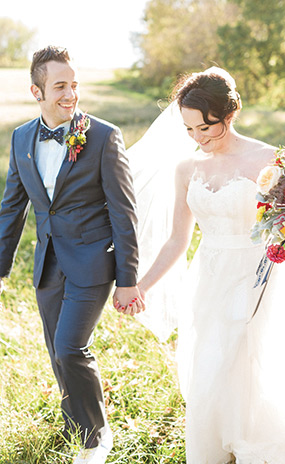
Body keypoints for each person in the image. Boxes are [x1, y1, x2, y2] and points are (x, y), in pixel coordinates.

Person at [132, 67, 285, 463]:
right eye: (190, 130)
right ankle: (218, 446)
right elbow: (178, 240)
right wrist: (142, 285)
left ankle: (256, 445)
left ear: (230, 114)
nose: (198, 139)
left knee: (251, 362)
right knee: (210, 364)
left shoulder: (269, 160)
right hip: (209, 278)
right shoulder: (187, 169)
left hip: (258, 279)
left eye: (206, 128)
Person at [0, 46, 145, 464]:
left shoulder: (103, 136)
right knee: (54, 350)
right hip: (47, 262)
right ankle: (75, 422)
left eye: (74, 85)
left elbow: (124, 211)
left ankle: (97, 437)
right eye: (60, 86)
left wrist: (127, 277)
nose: (70, 95)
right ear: (36, 91)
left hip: (92, 262)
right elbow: (13, 205)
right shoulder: (21, 137)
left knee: (69, 348)